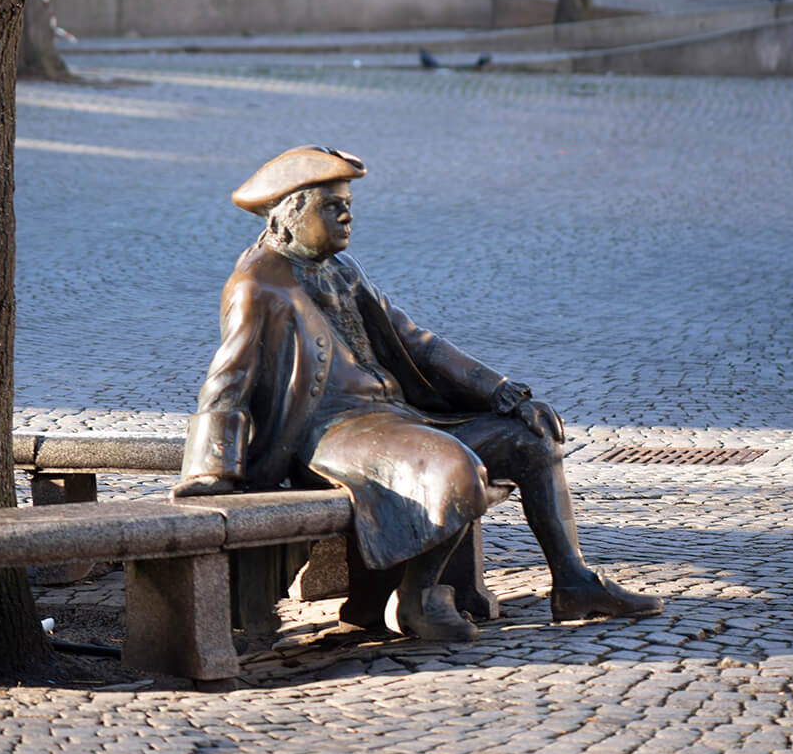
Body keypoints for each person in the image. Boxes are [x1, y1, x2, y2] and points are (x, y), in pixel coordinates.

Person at [175, 146, 663, 643]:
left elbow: (415, 340)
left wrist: (503, 393)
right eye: (331, 205)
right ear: (289, 215)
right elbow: (227, 377)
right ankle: (419, 597)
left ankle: (574, 583)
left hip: (395, 419)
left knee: (530, 439)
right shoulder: (257, 284)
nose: (347, 213)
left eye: (347, 202)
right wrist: (212, 469)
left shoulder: (341, 269)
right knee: (453, 467)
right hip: (329, 436)